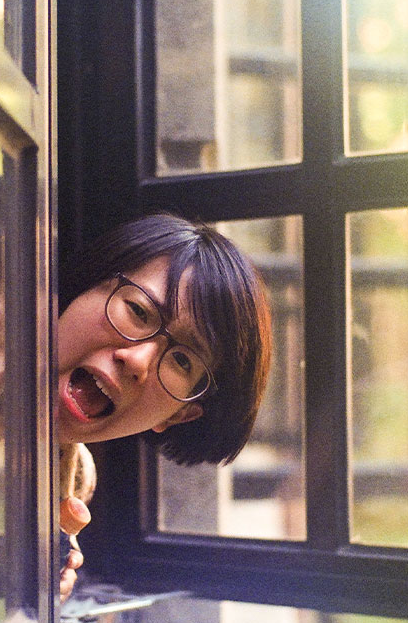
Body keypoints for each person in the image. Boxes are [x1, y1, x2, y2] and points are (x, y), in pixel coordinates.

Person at [53, 212, 273, 600]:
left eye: (182, 361)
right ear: (84, 285)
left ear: (179, 414)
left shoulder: (71, 483)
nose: (137, 361)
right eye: (138, 311)